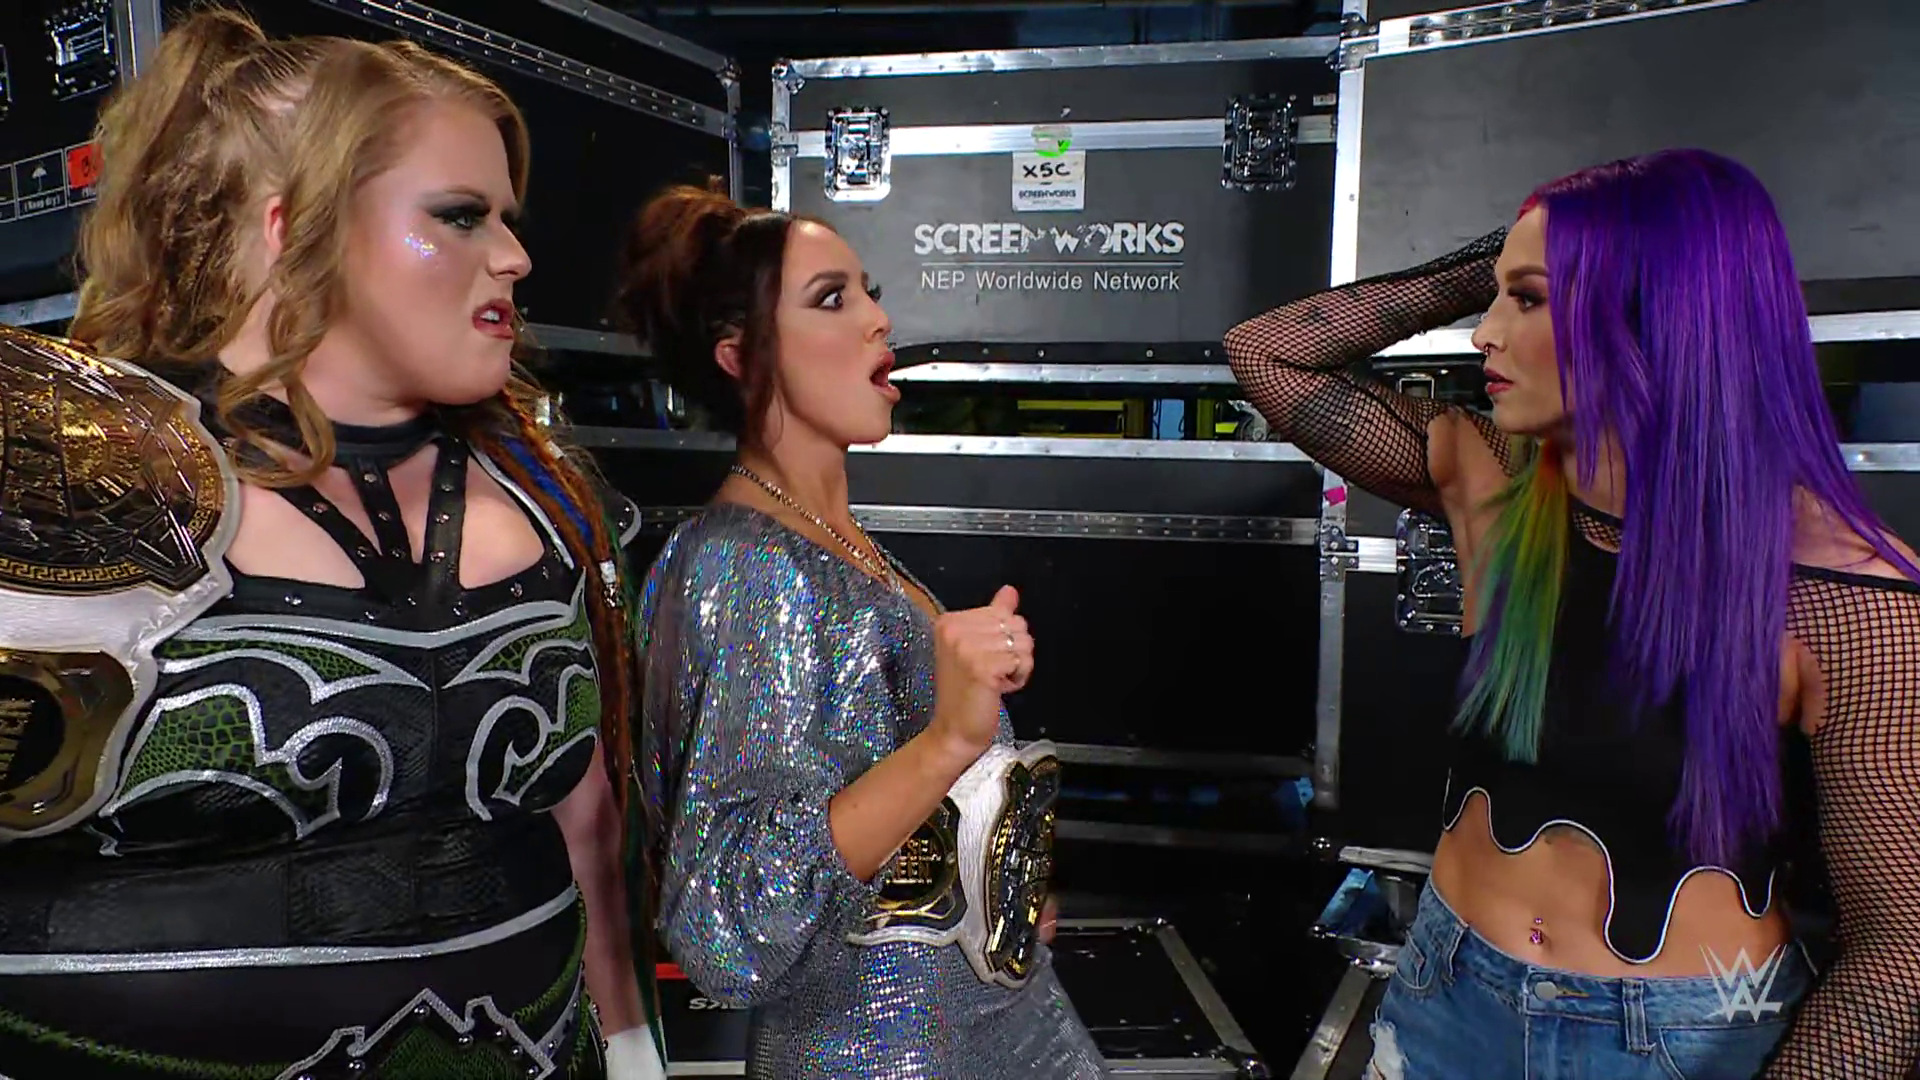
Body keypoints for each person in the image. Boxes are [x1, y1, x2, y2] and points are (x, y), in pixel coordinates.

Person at [0, 8, 664, 1078]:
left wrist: (633, 1052)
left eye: (505, 218)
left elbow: (588, 823)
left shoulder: (552, 492)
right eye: (459, 216)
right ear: (291, 225)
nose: (514, 256)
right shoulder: (51, 489)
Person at [1225, 148, 1920, 1079]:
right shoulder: (1500, 484)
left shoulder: (1848, 595)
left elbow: (1901, 952)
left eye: (1528, 300)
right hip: (1444, 992)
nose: (1483, 333)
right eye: (1496, 298)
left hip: (1678, 1038)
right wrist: (1515, 250)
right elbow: (1267, 353)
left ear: (1654, 311)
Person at [618, 184, 1107, 1079]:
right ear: (740, 355)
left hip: (992, 1032)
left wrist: (994, 879)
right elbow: (730, 924)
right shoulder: (746, 568)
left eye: (868, 292)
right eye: (831, 299)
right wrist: (949, 739)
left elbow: (897, 837)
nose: (879, 319)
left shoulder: (840, 547)